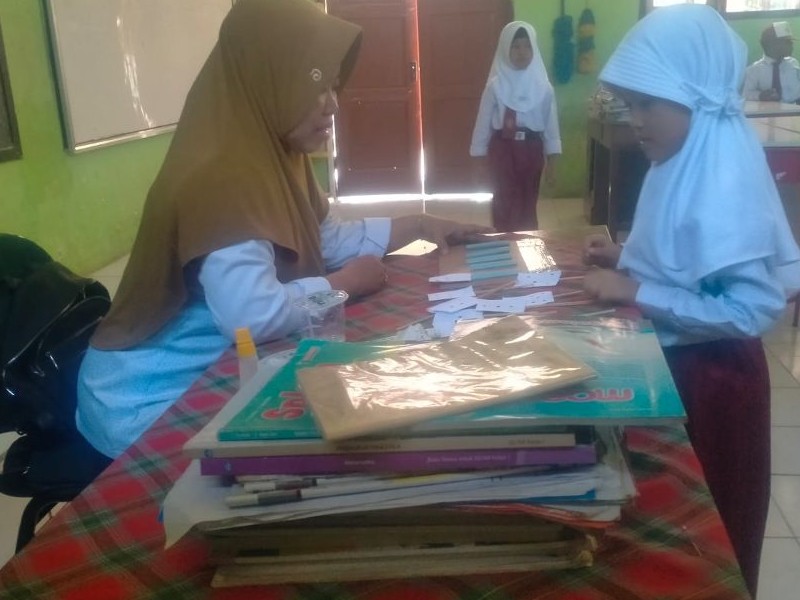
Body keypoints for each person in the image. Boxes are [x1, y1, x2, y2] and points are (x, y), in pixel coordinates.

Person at [75, 0, 492, 465]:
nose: (333, 104)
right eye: (316, 85)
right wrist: (344, 285)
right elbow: (251, 316)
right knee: (318, 452)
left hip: (211, 367)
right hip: (145, 400)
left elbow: (326, 240)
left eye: (334, 86)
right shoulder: (223, 175)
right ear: (270, 77)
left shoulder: (272, 152)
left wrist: (420, 223)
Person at [580, 5, 800, 597]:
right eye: (630, 104)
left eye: (647, 104)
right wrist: (626, 257)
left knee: (710, 531)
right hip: (683, 363)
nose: (634, 120)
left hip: (717, 379)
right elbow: (686, 255)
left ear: (697, 98)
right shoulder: (682, 157)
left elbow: (752, 310)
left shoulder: (723, 178)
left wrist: (637, 290)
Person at [469, 21, 561, 233]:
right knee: (504, 200)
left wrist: (553, 163)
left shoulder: (544, 87)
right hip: (503, 149)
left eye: (527, 46)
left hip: (532, 149)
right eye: (516, 46)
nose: (522, 52)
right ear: (505, 48)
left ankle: (527, 242)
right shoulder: (495, 85)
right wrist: (479, 161)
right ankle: (504, 241)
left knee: (529, 198)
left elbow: (551, 126)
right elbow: (483, 122)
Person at [743, 21, 800, 104]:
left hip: (795, 108)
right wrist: (760, 95)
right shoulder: (754, 70)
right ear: (772, 44)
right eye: (788, 42)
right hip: (769, 110)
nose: (792, 45)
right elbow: (744, 94)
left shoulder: (793, 64)